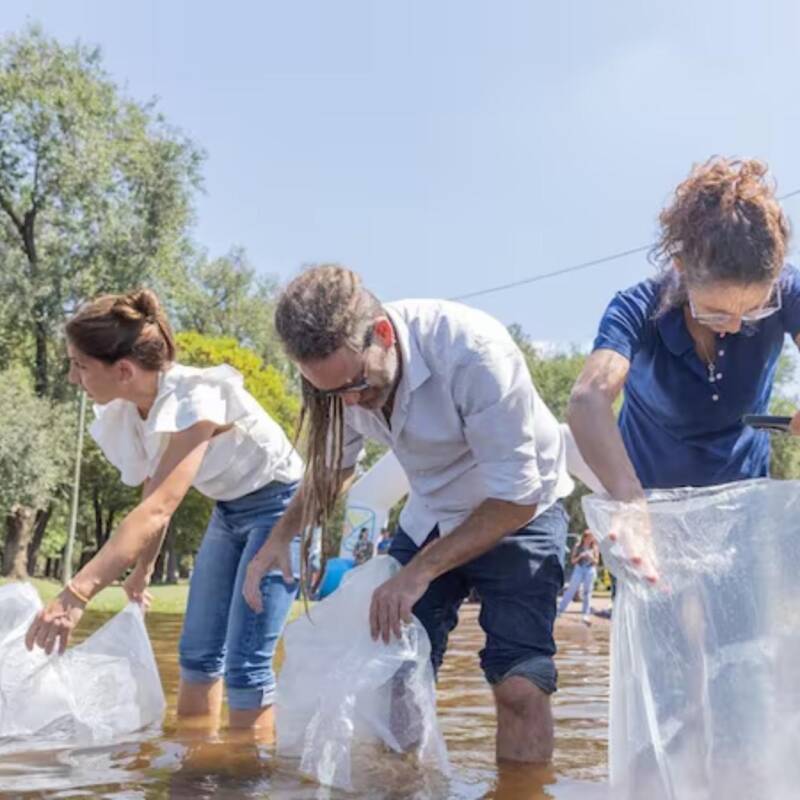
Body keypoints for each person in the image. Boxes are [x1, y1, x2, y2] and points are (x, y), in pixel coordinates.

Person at [242, 264, 574, 763]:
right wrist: (279, 538)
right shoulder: (340, 384)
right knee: (393, 673)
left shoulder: (474, 353)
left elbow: (516, 497)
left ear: (381, 334)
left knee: (519, 683)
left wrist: (417, 573)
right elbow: (332, 471)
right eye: (333, 394)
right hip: (431, 513)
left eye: (358, 384)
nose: (351, 401)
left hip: (520, 511)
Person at [25, 290, 303, 732]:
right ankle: (194, 770)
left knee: (246, 667)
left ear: (123, 370)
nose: (73, 378)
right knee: (196, 655)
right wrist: (142, 572)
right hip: (229, 511)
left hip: (283, 512)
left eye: (80, 365)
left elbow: (159, 508)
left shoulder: (197, 398)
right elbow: (152, 497)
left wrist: (77, 594)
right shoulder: (133, 409)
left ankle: (247, 779)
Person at [568, 157, 800, 575]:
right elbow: (588, 400)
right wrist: (629, 501)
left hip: (742, 507)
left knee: (743, 635)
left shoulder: (788, 289)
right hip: (653, 516)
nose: (733, 326)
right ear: (681, 270)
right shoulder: (636, 308)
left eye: (753, 312)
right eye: (715, 312)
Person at [557, 530, 599, 624]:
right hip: (579, 568)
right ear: (584, 537)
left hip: (589, 569)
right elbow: (573, 561)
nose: (589, 540)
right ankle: (560, 610)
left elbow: (596, 562)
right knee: (571, 589)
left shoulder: (594, 547)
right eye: (588, 537)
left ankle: (585, 614)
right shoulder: (577, 546)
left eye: (591, 537)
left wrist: (591, 557)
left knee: (587, 591)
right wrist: (580, 556)